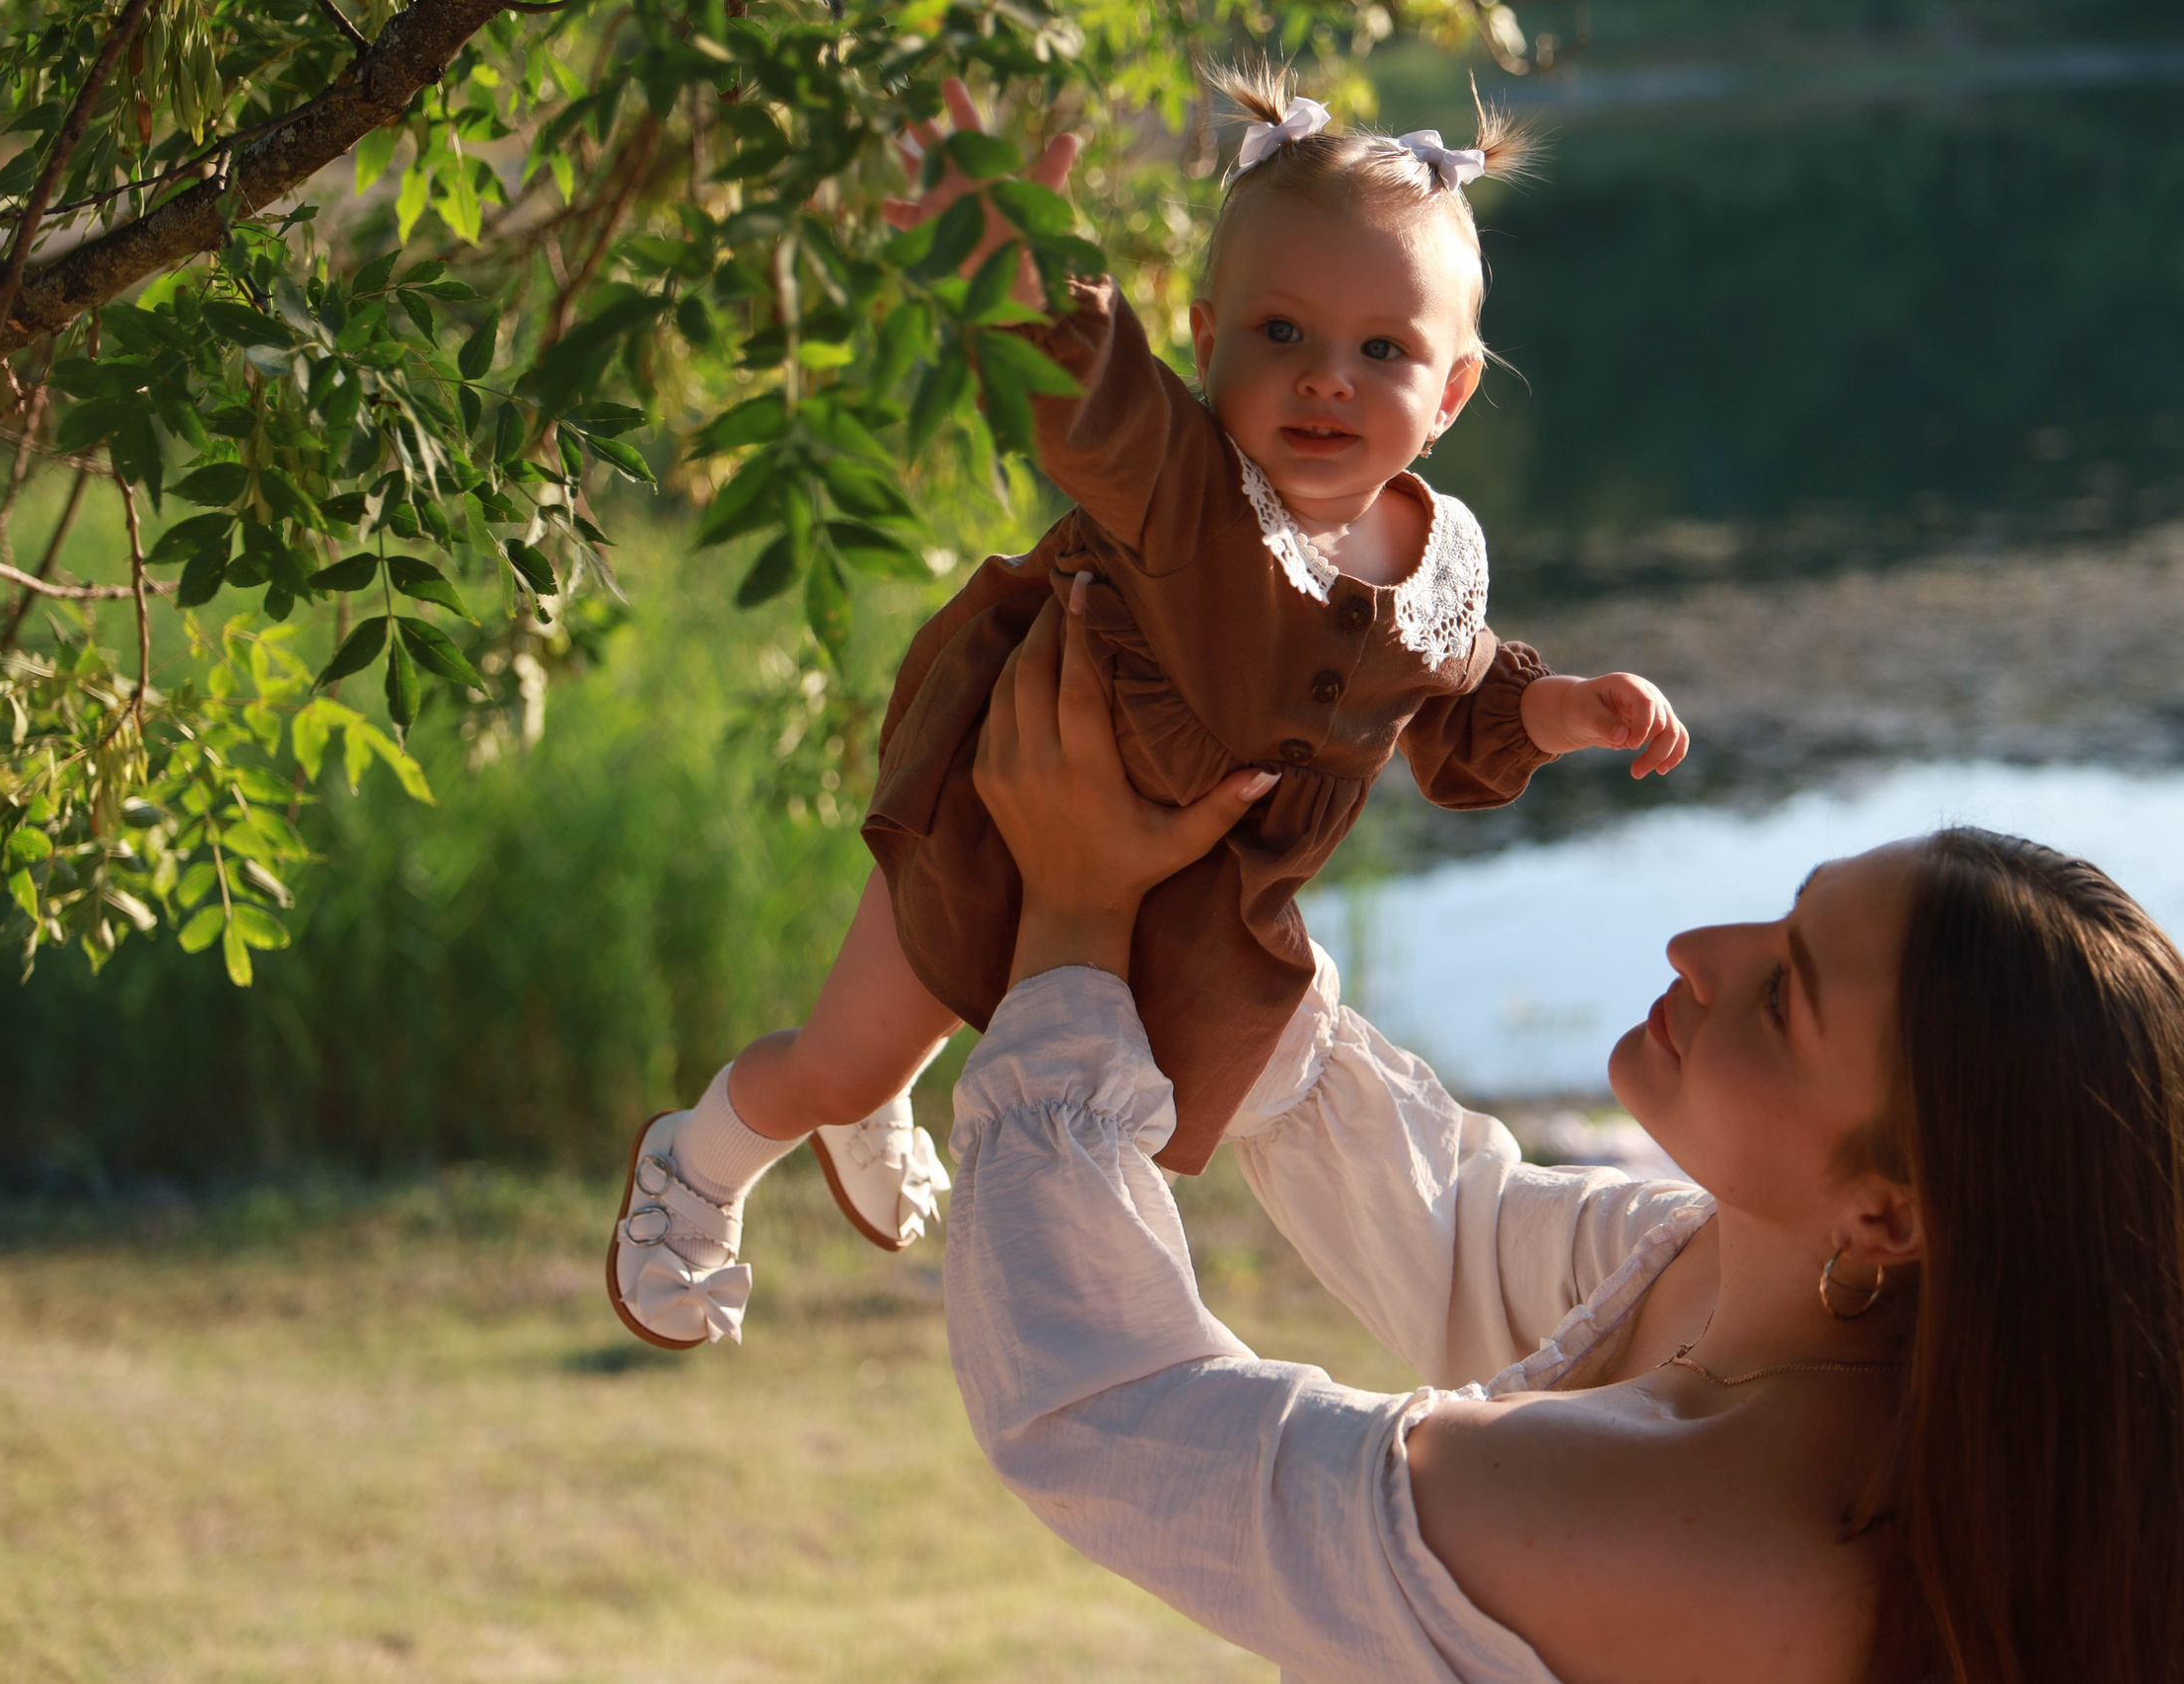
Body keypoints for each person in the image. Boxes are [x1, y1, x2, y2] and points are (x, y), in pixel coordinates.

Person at [941, 599, 2184, 1684]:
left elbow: (1107, 1416)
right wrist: (1207, 893)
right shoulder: (1756, 1301)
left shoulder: (1663, 1522)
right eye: (1781, 918)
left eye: (1784, 993)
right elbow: (1464, 1229)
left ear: (1890, 1216)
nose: (1693, 951)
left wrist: (1069, 934)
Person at [609, 68, 1688, 1349]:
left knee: (1107, 1097)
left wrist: (1566, 710)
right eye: (1280, 335)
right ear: (1207, 335)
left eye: (1381, 350)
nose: (1327, 381)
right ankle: (700, 1161)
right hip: (997, 828)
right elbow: (1094, 403)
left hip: (1169, 907)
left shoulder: (1431, 559)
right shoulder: (1188, 490)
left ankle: (901, 1111)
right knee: (848, 1055)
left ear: (1449, 394)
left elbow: (1451, 707)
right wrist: (1020, 278)